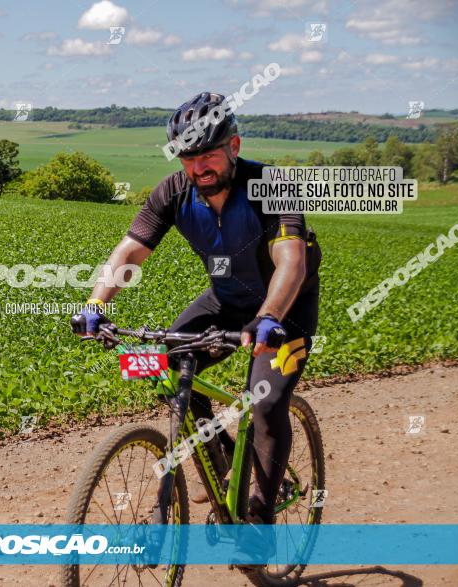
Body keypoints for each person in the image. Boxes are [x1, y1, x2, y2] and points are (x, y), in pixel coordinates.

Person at [71, 92, 321, 561]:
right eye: (189, 157)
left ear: (234, 145)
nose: (199, 167)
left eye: (208, 154)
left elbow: (291, 261)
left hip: (284, 310)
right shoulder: (173, 192)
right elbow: (130, 251)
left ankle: (259, 525)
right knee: (165, 363)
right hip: (226, 301)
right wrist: (95, 304)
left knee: (266, 405)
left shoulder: (273, 186)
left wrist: (269, 318)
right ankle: (224, 458)